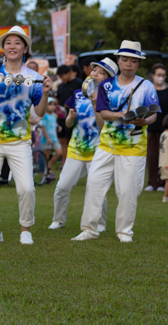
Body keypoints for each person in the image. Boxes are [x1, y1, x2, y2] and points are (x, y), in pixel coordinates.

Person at [73, 40, 159, 243]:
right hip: (106, 146)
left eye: (133, 61)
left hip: (134, 147)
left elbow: (154, 113)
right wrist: (119, 115)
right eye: (124, 59)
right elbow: (102, 111)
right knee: (94, 185)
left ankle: (124, 231)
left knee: (128, 191)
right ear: (118, 60)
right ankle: (89, 229)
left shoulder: (146, 86)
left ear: (138, 63)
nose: (128, 64)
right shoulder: (106, 85)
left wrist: (144, 120)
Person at [0, 26, 50, 246]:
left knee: (26, 187)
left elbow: (41, 112)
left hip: (20, 141)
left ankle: (26, 229)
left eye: (17, 43)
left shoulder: (34, 77)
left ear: (25, 48)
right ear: (3, 49)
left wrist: (45, 93)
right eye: (8, 43)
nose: (12, 46)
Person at [49, 57, 117, 230]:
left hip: (98, 152)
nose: (95, 74)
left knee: (95, 189)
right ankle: (58, 220)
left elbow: (103, 126)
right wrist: (71, 117)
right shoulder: (79, 93)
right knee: (62, 186)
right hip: (76, 150)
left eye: (101, 72)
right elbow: (69, 124)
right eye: (95, 70)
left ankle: (99, 223)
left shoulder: (111, 98)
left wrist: (96, 103)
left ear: (109, 78)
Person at [145, 64, 168, 192]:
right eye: (158, 75)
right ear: (153, 75)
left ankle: (163, 182)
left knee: (165, 156)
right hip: (151, 128)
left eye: (163, 75)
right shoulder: (148, 91)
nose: (161, 78)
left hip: (165, 130)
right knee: (152, 156)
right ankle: (152, 182)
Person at [40, 98, 62, 182]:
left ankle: (48, 167)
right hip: (46, 139)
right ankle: (46, 173)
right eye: (50, 104)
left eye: (54, 104)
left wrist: (58, 127)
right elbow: (43, 127)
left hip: (54, 139)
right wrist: (48, 138)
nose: (52, 106)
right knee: (46, 156)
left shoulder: (53, 115)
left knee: (59, 152)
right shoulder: (44, 115)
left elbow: (54, 123)